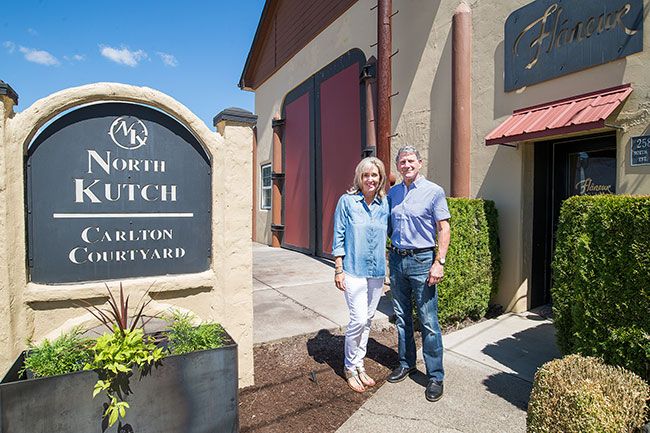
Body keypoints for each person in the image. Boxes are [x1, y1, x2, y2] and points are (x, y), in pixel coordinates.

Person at [386, 145, 451, 402]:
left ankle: (435, 375)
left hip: (423, 260)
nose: (407, 165)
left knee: (428, 321)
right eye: (402, 162)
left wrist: (439, 262)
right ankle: (406, 363)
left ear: (420, 163)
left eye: (411, 161)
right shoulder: (393, 193)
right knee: (401, 318)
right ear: (398, 166)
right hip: (397, 260)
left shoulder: (434, 192)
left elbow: (443, 229)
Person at [332, 156, 390, 393]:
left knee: (367, 321)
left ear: (380, 178)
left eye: (374, 175)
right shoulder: (347, 202)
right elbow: (339, 235)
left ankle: (359, 365)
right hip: (353, 270)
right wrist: (338, 268)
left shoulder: (384, 204)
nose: (370, 179)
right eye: (366, 175)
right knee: (357, 320)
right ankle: (349, 367)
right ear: (359, 178)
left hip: (376, 272)